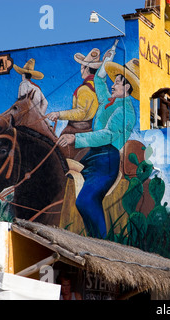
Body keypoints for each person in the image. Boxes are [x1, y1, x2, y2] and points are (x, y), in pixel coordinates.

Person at [57, 58, 139, 238]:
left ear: (127, 87)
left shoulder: (125, 112)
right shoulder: (109, 102)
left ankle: (102, 241)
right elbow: (100, 81)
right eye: (115, 80)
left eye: (117, 82)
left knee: (86, 201)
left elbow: (106, 135)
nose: (113, 84)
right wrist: (107, 60)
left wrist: (75, 138)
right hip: (93, 155)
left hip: (106, 160)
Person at [47, 48, 103, 160]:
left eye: (82, 67)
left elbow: (81, 113)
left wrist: (58, 114)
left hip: (75, 131)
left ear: (86, 68)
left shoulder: (84, 89)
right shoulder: (97, 88)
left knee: (55, 157)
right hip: (88, 130)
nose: (81, 70)